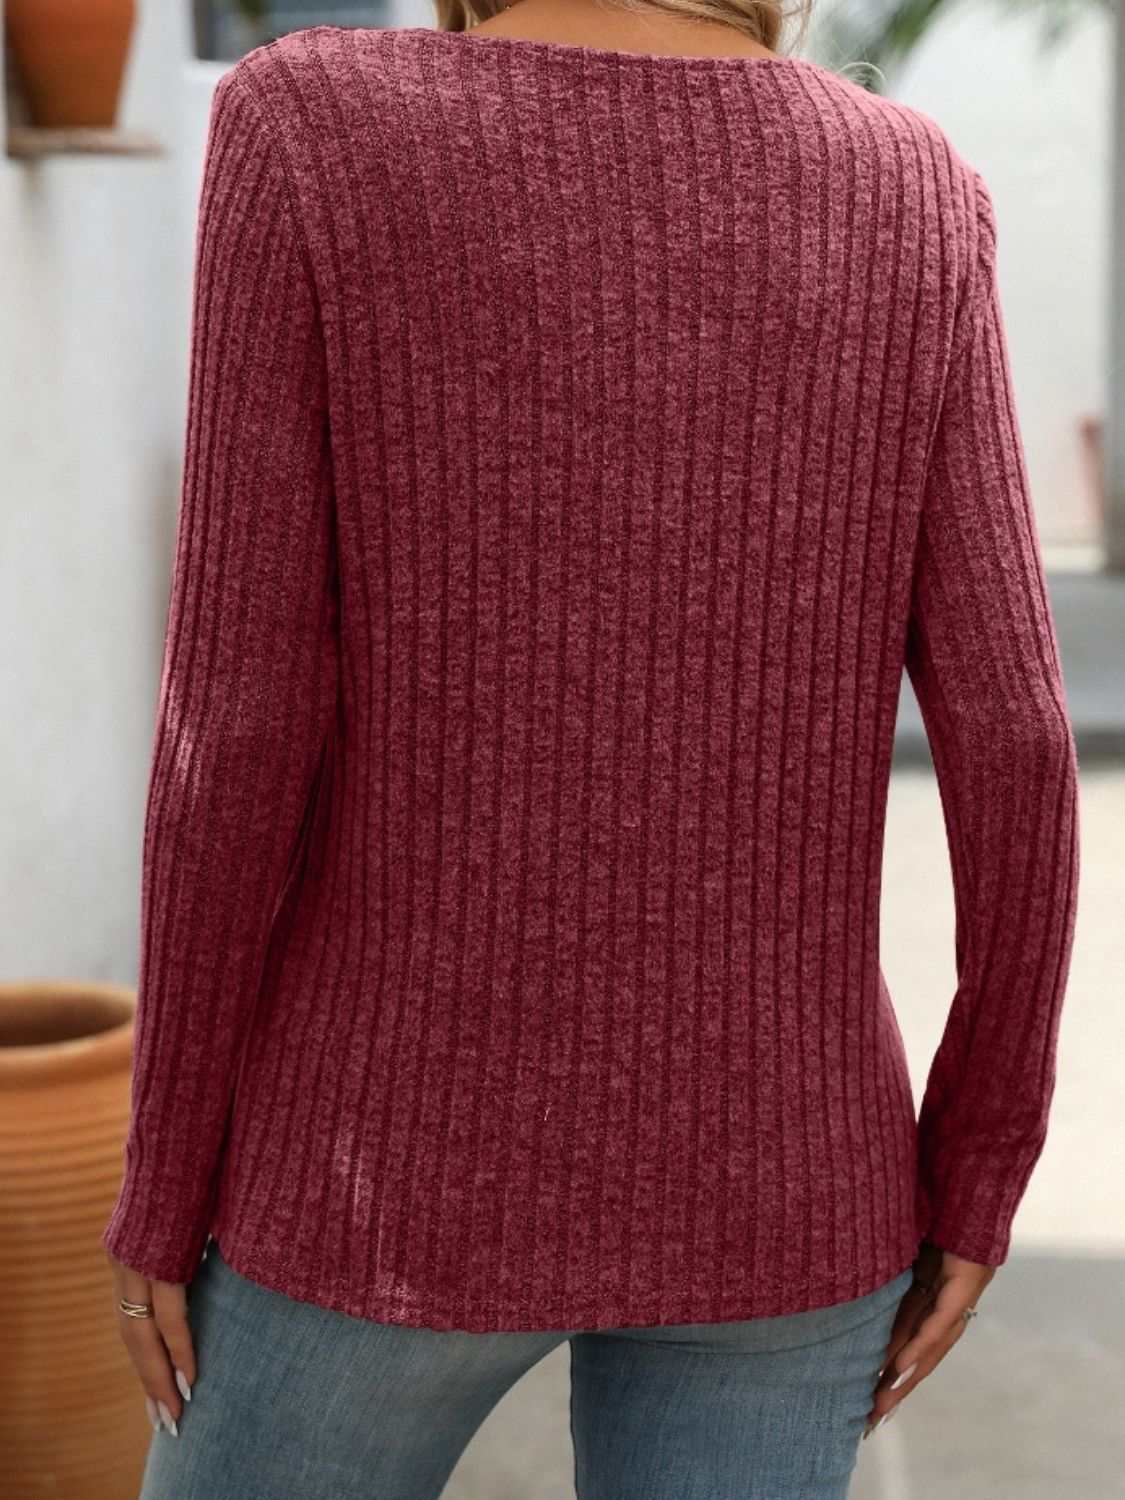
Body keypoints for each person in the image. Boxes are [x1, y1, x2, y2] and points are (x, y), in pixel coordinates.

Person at [103, 0, 1080, 1495]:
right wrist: (977, 1170)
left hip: (380, 1169)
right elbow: (1015, 736)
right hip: (785, 1182)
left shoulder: (309, 127)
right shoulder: (912, 189)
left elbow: (234, 724)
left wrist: (164, 1177)